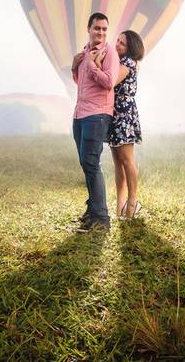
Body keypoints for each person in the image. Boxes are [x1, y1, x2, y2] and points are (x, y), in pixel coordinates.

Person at [69, 12, 119, 232]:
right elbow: (81, 83)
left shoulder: (109, 53)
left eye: (104, 29)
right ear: (88, 29)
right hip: (80, 114)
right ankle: (92, 212)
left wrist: (92, 65)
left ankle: (101, 219)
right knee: (85, 163)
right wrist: (75, 66)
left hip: (98, 114)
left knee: (91, 163)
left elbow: (109, 83)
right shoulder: (84, 53)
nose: (100, 32)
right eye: (97, 28)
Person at [105, 30, 144, 220]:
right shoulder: (119, 62)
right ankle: (119, 206)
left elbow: (110, 82)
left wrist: (96, 63)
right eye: (117, 41)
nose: (117, 45)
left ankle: (132, 203)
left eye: (122, 44)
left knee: (127, 160)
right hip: (114, 113)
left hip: (124, 114)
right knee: (117, 163)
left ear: (130, 49)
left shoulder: (128, 63)